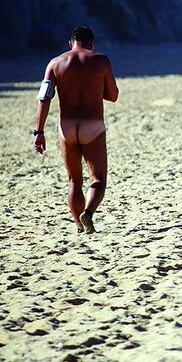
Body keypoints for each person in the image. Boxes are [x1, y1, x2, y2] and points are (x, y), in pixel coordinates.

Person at [33, 26, 119, 234]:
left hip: (67, 128)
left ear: (70, 43)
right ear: (92, 42)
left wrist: (39, 132)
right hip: (93, 126)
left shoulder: (55, 63)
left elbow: (44, 99)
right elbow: (113, 95)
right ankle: (88, 213)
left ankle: (79, 226)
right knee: (97, 179)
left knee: (73, 181)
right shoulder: (100, 60)